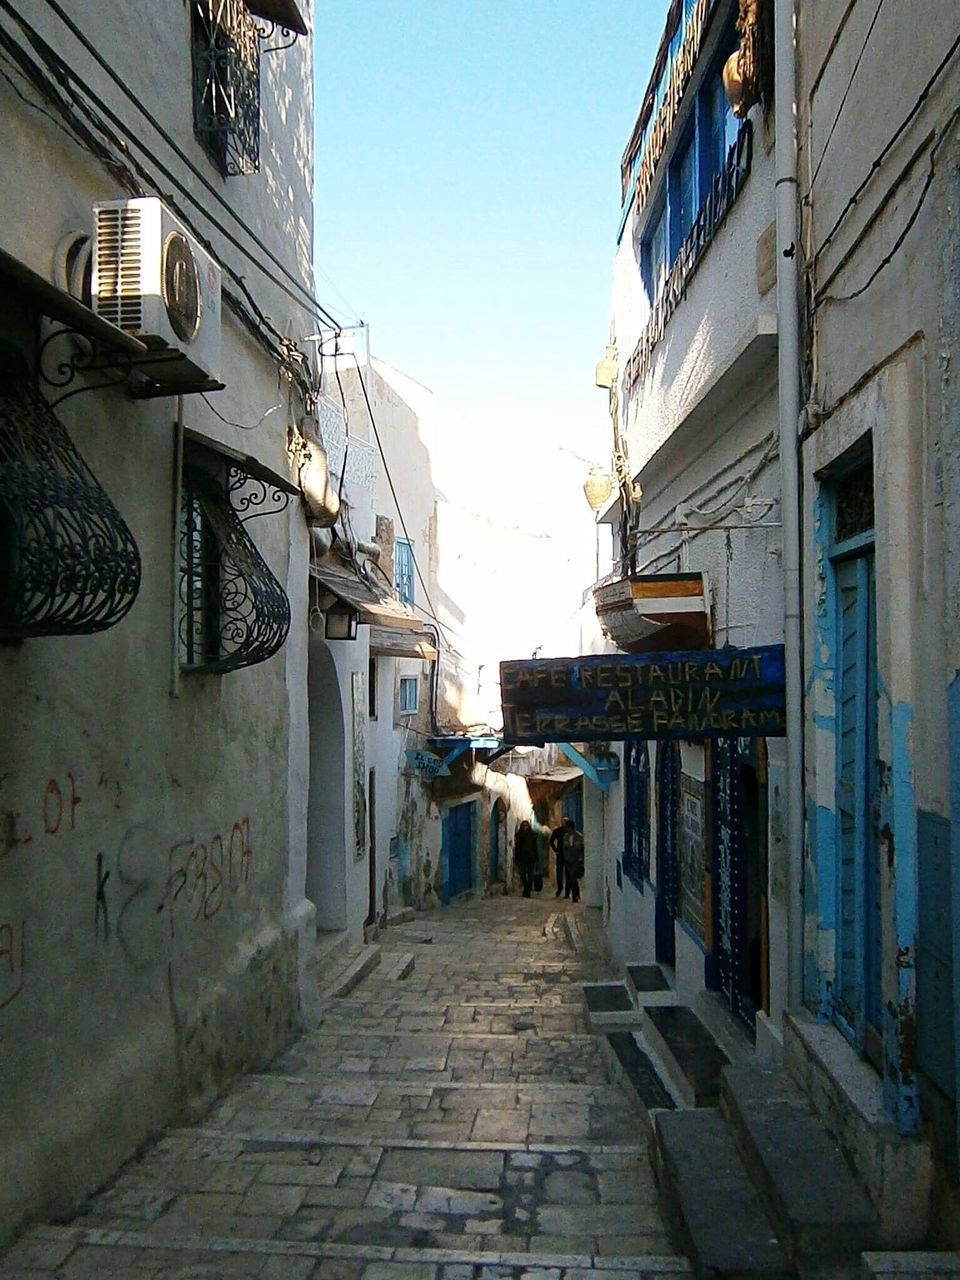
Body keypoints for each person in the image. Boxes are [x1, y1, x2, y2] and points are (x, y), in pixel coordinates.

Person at [555, 817, 585, 903]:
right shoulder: (565, 837)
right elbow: (564, 848)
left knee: (572, 877)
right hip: (568, 860)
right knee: (571, 878)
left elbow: (582, 849)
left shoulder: (579, 836)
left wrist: (581, 859)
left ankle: (575, 896)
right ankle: (576, 894)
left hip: (576, 860)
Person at [514, 819, 538, 898]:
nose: (525, 827)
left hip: (531, 858)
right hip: (522, 858)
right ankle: (527, 888)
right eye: (523, 826)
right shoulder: (518, 835)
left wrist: (537, 858)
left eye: (526, 825)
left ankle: (527, 891)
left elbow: (535, 848)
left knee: (530, 876)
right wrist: (516, 858)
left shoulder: (533, 835)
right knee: (523, 875)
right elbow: (517, 847)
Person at [549, 821, 566, 898]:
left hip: (569, 855)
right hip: (560, 854)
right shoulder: (558, 831)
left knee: (569, 872)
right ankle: (560, 888)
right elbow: (551, 841)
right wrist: (556, 850)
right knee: (559, 872)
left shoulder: (570, 831)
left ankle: (568, 891)